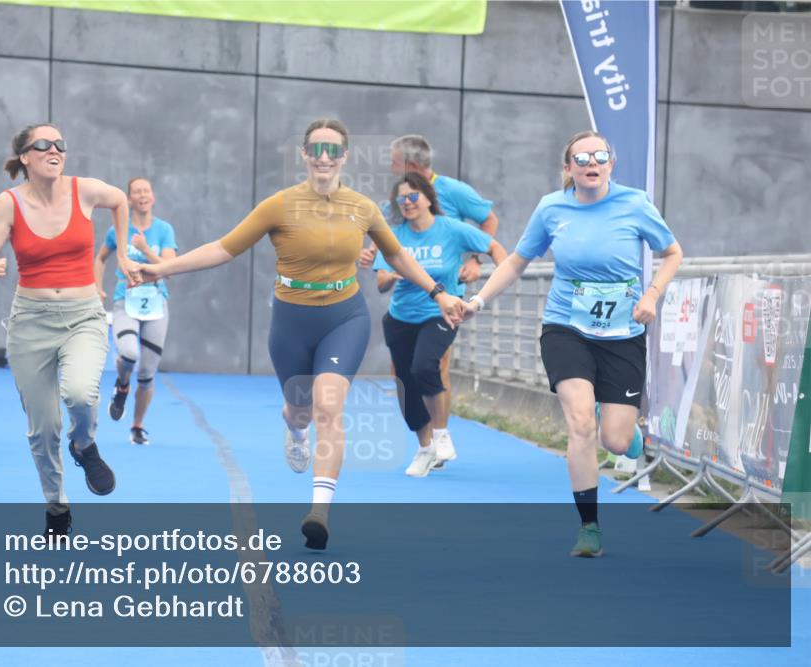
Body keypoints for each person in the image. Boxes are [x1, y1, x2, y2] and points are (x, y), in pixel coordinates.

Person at [139, 119, 466, 549]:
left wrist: (439, 293)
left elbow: (398, 256)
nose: (324, 158)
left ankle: (319, 511)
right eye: (317, 149)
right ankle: (295, 430)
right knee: (300, 411)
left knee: (328, 406)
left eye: (333, 150)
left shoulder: (362, 207)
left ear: (345, 156)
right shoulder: (280, 205)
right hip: (292, 321)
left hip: (344, 318)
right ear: (305, 155)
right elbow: (223, 247)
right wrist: (162, 268)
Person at [464, 131, 683, 557]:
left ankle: (625, 434)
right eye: (581, 158)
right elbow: (517, 261)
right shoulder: (552, 208)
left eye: (600, 156)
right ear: (568, 168)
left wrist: (652, 295)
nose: (591, 163)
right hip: (567, 326)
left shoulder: (635, 203)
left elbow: (672, 252)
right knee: (580, 424)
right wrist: (478, 301)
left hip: (622, 333)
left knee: (615, 441)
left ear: (610, 164)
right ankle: (589, 527)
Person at [0, 123, 142, 537]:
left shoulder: (84, 190)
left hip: (83, 315)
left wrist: (122, 254)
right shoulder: (9, 203)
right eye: (44, 144)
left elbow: (120, 200)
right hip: (30, 322)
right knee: (43, 428)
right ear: (25, 157)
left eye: (60, 144)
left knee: (81, 394)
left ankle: (83, 444)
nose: (55, 150)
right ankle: (56, 505)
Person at [361, 134, 502, 466]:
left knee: (431, 364)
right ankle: (425, 443)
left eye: (395, 163)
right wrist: (375, 255)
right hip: (403, 310)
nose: (407, 201)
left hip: (444, 302)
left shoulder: (452, 198)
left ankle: (441, 435)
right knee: (406, 373)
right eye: (403, 199)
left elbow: (489, 225)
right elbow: (381, 240)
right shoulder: (396, 212)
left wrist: (476, 262)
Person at [94, 177, 177, 445]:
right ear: (129, 199)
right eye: (137, 191)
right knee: (129, 354)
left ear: (153, 196)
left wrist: (144, 249)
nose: (142, 195)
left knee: (147, 373)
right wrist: (97, 286)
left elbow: (169, 268)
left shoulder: (164, 230)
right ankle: (121, 385)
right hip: (125, 299)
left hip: (156, 301)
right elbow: (100, 258)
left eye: (146, 191)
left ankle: (137, 426)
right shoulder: (118, 229)